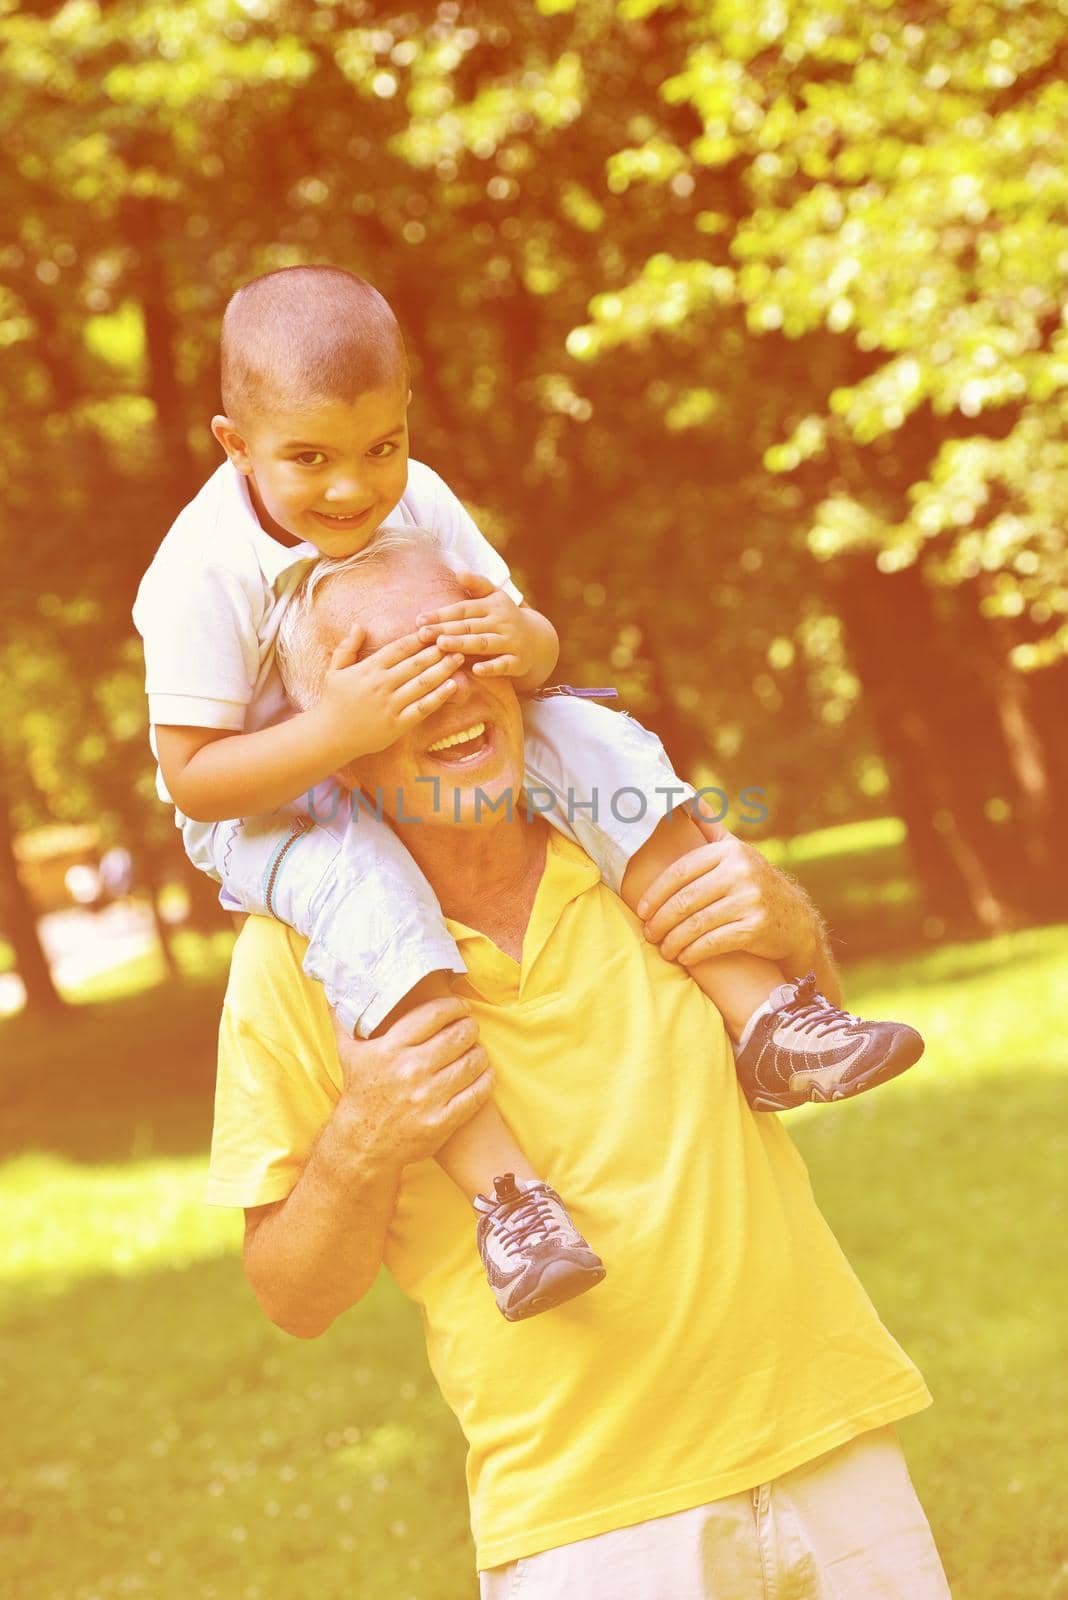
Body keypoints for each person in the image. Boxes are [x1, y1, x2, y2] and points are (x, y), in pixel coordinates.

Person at [134, 264, 923, 1321]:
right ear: (236, 446)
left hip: (390, 734)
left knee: (592, 731)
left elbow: (535, 646)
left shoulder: (419, 497)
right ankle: (511, 1200)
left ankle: (769, 1018)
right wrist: (338, 733)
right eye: (308, 459)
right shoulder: (199, 571)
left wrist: (524, 639)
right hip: (264, 802)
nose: (353, 489)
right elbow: (192, 775)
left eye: (382, 447)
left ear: (406, 417)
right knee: (365, 885)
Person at [206, 538, 952, 1598]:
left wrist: (792, 922)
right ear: (327, 747)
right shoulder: (291, 962)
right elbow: (291, 1293)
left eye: (461, 645)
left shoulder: (639, 839)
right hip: (592, 1526)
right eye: (387, 669)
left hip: (832, 1436)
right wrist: (364, 1137)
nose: (446, 688)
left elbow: (801, 1046)